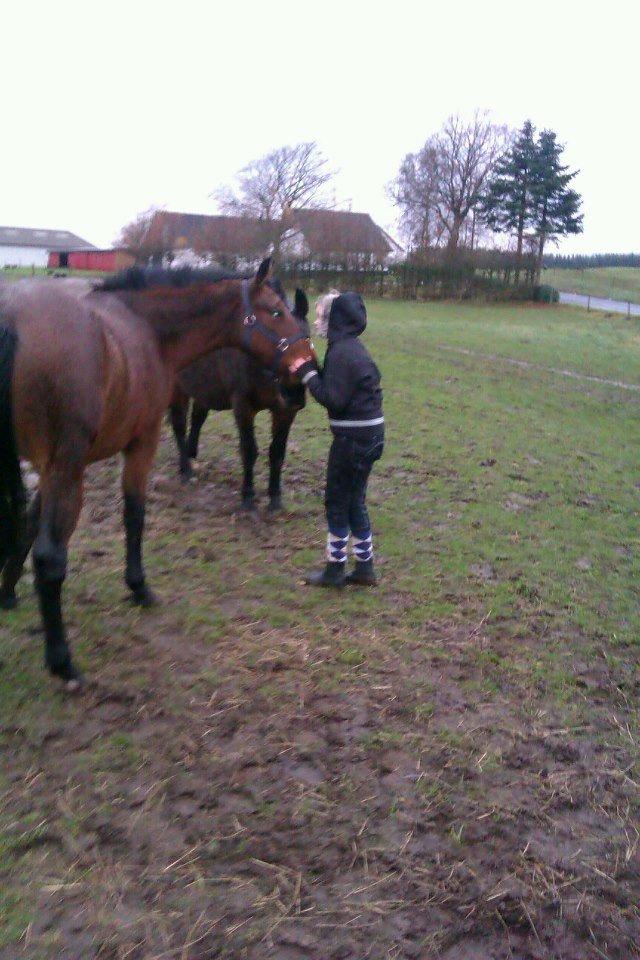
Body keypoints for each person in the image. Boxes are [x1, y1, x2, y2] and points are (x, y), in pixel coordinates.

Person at [290, 289, 384, 587]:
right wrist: (316, 370)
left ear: (336, 320)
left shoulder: (342, 352)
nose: (318, 321)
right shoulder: (351, 348)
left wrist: (306, 372)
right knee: (355, 499)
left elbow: (334, 399)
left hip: (352, 442)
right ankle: (365, 568)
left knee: (336, 501)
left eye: (322, 316)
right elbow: (338, 387)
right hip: (371, 436)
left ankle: (334, 570)